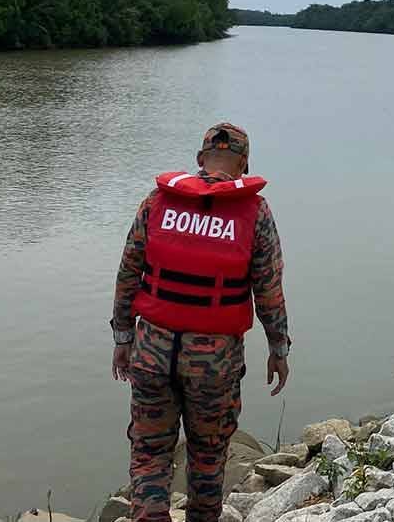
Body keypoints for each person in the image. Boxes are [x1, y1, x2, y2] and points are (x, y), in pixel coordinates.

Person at [110, 123, 291, 522]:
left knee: (150, 455)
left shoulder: (157, 202)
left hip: (152, 352)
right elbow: (269, 290)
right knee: (207, 460)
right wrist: (279, 348)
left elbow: (128, 273)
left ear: (199, 161)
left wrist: (122, 336)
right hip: (214, 363)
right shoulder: (255, 212)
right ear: (244, 165)